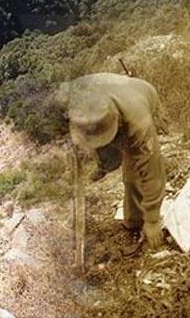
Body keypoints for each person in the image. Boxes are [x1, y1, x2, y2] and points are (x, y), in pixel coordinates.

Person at [59, 73, 166, 248]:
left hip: (141, 93)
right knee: (107, 153)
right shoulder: (71, 95)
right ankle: (106, 165)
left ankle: (134, 224)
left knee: (133, 178)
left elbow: (152, 170)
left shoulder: (138, 122)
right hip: (106, 96)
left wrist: (153, 220)